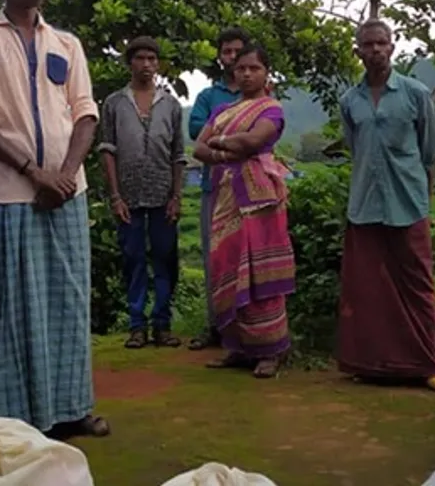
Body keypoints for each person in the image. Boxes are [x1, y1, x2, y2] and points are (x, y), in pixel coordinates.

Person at [0, 0, 110, 440]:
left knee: (67, 300)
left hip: (67, 193)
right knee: (12, 306)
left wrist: (63, 173)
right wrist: (32, 171)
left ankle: (74, 408)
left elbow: (86, 114)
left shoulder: (66, 43)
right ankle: (20, 419)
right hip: (8, 194)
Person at [336, 18, 435, 391]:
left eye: (382, 43)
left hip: (408, 203)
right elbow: (355, 147)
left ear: (393, 47)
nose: (376, 50)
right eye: (368, 45)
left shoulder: (415, 94)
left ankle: (427, 362)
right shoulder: (350, 101)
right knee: (369, 288)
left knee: (418, 285)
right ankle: (374, 364)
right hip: (365, 204)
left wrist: (424, 198)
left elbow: (430, 152)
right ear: (358, 51)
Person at [192, 45, 295, 379]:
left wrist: (220, 143)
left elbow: (253, 142)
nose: (247, 74)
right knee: (228, 266)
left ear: (267, 73)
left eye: (254, 68)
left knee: (261, 273)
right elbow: (198, 148)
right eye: (241, 69)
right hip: (226, 196)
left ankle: (271, 350)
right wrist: (228, 148)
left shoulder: (272, 109)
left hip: (260, 199)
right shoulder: (222, 108)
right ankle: (237, 347)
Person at [99, 36, 186, 350]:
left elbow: (179, 154)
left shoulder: (171, 105)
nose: (147, 65)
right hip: (128, 196)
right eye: (140, 58)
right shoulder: (114, 103)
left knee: (165, 259)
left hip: (163, 195)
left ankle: (162, 324)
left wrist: (177, 196)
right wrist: (115, 196)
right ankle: (137, 326)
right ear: (130, 63)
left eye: (152, 59)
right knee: (132, 259)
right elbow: (107, 150)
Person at [185, 27, 248, 351]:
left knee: (245, 259)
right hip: (214, 186)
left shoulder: (259, 93)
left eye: (238, 51)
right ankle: (216, 327)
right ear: (219, 56)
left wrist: (219, 128)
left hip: (250, 189)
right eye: (227, 51)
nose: (233, 57)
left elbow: (268, 128)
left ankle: (247, 330)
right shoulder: (209, 96)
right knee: (215, 258)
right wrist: (237, 127)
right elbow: (195, 129)